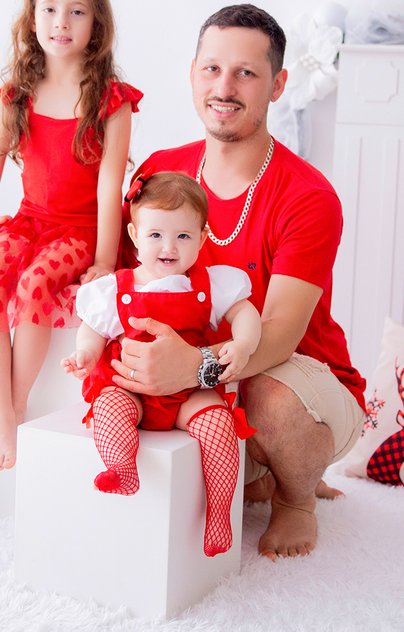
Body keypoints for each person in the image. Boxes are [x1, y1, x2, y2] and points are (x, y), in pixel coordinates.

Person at [109, 4, 366, 560]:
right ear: (193, 72)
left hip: (298, 375)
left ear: (277, 86)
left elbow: (279, 332)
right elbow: (123, 272)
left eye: (246, 73)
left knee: (266, 393)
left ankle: (296, 500)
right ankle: (264, 470)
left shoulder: (307, 197)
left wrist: (192, 367)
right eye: (211, 69)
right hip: (202, 387)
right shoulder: (159, 172)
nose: (224, 87)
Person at [0, 0, 140, 471]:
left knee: (35, 284)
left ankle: (12, 411)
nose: (62, 22)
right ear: (32, 20)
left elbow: (109, 189)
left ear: (96, 23)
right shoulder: (18, 93)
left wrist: (104, 261)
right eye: (50, 10)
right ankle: (2, 412)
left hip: (80, 230)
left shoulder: (111, 99)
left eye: (77, 12)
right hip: (31, 219)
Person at [63, 172, 261, 557]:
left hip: (190, 392)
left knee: (219, 425)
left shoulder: (210, 283)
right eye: (156, 235)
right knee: (108, 405)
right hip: (131, 387)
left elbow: (246, 312)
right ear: (135, 236)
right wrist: (84, 355)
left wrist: (244, 343)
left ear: (202, 239)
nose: (169, 246)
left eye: (183, 236)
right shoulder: (116, 288)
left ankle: (219, 513)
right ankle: (122, 468)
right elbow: (92, 330)